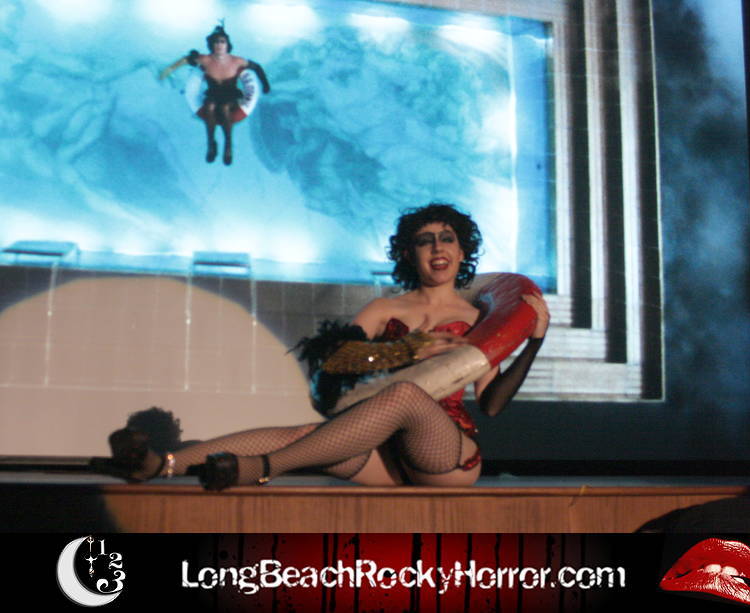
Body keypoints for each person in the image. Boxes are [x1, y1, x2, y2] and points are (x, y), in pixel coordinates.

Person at [92, 203, 549, 489]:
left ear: (462, 251)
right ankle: (159, 464)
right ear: (409, 254)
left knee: (406, 395)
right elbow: (331, 366)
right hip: (382, 456)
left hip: (445, 456)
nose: (437, 248)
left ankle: (260, 468)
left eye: (446, 238)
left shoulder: (477, 319)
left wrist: (533, 342)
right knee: (304, 434)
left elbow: (491, 405)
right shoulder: (384, 309)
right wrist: (404, 351)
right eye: (424, 241)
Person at [159, 24, 270, 165]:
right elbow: (187, 60)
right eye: (216, 42)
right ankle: (211, 144)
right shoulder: (205, 59)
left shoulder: (237, 61)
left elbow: (257, 67)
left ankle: (228, 146)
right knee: (210, 106)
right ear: (211, 44)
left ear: (227, 45)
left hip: (231, 96)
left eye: (222, 42)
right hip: (213, 95)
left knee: (224, 107)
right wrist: (170, 69)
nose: (219, 45)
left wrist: (265, 84)